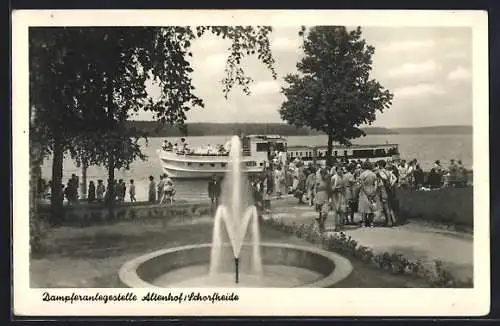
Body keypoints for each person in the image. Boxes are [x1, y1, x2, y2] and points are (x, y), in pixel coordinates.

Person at [376, 160, 397, 227]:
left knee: (386, 206)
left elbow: (384, 178)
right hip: (389, 189)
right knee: (389, 206)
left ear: (380, 165)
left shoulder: (381, 172)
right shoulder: (388, 171)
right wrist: (391, 184)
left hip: (383, 189)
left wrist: (379, 175)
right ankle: (393, 220)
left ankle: (389, 221)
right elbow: (395, 178)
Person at [358, 161, 379, 228]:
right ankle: (371, 223)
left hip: (364, 192)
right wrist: (374, 192)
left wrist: (366, 192)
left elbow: (362, 184)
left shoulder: (362, 174)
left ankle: (364, 223)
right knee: (371, 207)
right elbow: (376, 184)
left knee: (364, 208)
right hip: (372, 189)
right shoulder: (373, 174)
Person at [314, 168, 331, 232]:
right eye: (323, 174)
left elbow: (329, 190)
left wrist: (330, 198)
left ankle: (322, 223)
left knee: (325, 212)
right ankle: (321, 225)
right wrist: (315, 198)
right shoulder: (318, 181)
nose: (324, 175)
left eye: (325, 174)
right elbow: (315, 189)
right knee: (320, 213)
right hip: (319, 197)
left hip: (325, 197)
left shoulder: (327, 181)